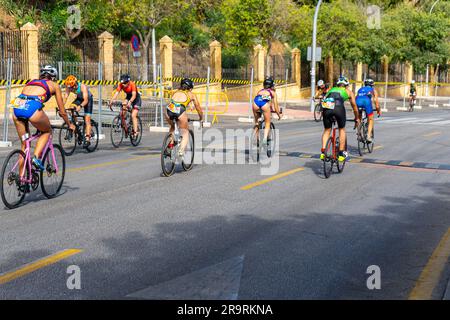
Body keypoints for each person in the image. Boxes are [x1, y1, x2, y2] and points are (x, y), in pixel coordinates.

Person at [11, 65, 75, 170]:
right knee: (47, 131)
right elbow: (62, 111)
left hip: (17, 108)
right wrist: (69, 124)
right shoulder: (54, 85)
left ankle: (21, 179)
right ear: (53, 77)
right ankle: (36, 158)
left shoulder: (31, 82)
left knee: (24, 145)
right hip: (33, 108)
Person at [320, 76, 360, 162]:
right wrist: (357, 118)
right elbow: (354, 107)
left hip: (326, 107)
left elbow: (324, 99)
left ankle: (323, 152)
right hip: (338, 108)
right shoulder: (348, 91)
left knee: (327, 130)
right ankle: (341, 153)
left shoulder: (330, 90)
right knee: (341, 129)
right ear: (346, 85)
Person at [165, 78, 203, 157]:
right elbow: (198, 107)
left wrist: (189, 104)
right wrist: (201, 118)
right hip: (180, 111)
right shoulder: (191, 94)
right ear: (190, 88)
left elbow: (178, 100)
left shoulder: (175, 92)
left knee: (172, 126)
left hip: (169, 110)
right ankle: (181, 151)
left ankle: (171, 144)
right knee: (185, 132)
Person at [64, 75, 94, 147]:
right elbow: (65, 97)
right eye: (70, 87)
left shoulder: (83, 87)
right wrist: (61, 107)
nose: (71, 89)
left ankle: (87, 139)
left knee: (87, 120)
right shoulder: (69, 87)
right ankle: (76, 124)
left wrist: (80, 106)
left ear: (75, 84)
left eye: (72, 87)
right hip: (79, 99)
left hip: (88, 100)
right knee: (71, 108)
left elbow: (86, 100)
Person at [252, 77, 282, 145]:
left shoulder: (259, 91)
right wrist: (279, 115)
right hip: (264, 105)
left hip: (255, 103)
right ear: (272, 86)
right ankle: (265, 139)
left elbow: (263, 99)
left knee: (257, 122)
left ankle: (257, 139)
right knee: (267, 123)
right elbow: (276, 107)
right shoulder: (273, 93)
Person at [355, 78, 380, 142]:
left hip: (357, 102)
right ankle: (368, 136)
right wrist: (378, 110)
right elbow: (375, 101)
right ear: (372, 85)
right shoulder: (373, 90)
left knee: (359, 118)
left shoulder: (360, 89)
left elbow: (356, 97)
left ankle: (359, 134)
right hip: (366, 102)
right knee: (371, 119)